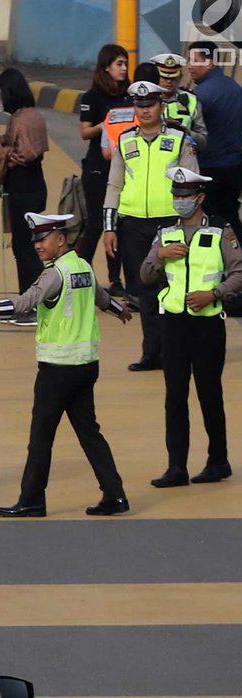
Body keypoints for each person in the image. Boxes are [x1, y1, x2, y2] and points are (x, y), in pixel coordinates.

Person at [0, 213, 133, 518]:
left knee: (41, 438)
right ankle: (115, 494)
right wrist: (119, 310)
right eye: (35, 241)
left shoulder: (54, 274)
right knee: (89, 433)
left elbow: (27, 301)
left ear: (61, 239)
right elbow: (101, 297)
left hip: (58, 369)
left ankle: (32, 499)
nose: (37, 246)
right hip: (86, 364)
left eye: (42, 239)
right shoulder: (83, 266)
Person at [140, 167, 242, 488]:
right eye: (175, 195)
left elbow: (239, 272)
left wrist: (213, 294)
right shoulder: (164, 234)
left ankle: (218, 460)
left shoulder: (221, 233)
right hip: (174, 326)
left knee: (209, 394)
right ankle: (176, 467)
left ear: (199, 198)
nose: (179, 201)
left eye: (184, 196)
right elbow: (145, 275)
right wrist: (159, 254)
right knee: (175, 396)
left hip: (208, 324)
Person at [102, 80, 198, 372]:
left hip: (171, 224)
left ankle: (179, 353)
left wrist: (190, 225)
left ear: (161, 106)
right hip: (134, 225)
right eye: (139, 106)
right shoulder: (126, 141)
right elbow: (114, 185)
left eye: (150, 105)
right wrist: (109, 227)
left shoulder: (181, 140)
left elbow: (192, 182)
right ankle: (151, 353)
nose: (144, 111)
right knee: (144, 290)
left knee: (175, 287)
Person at [0, 68, 49, 326]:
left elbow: (25, 153)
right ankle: (29, 303)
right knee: (28, 247)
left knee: (24, 249)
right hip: (36, 186)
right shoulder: (34, 115)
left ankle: (30, 306)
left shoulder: (19, 118)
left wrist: (2, 150)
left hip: (22, 188)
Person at [77, 45, 130, 297]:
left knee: (118, 225)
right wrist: (107, 124)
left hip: (125, 167)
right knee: (98, 224)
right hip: (98, 169)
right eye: (119, 63)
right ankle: (79, 273)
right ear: (106, 66)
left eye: (125, 64)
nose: (123, 68)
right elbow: (85, 132)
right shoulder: (92, 97)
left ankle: (115, 279)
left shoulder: (130, 96)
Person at [187, 41, 242, 238]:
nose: (189, 66)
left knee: (210, 223)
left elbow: (190, 132)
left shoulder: (200, 96)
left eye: (195, 60)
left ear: (209, 62)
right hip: (234, 168)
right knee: (230, 217)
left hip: (209, 169)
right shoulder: (235, 89)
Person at [149, 53, 207, 150]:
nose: (169, 82)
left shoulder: (191, 100)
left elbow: (203, 141)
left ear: (180, 77)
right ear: (156, 77)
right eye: (165, 77)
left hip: (184, 158)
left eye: (173, 78)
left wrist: (184, 131)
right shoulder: (146, 100)